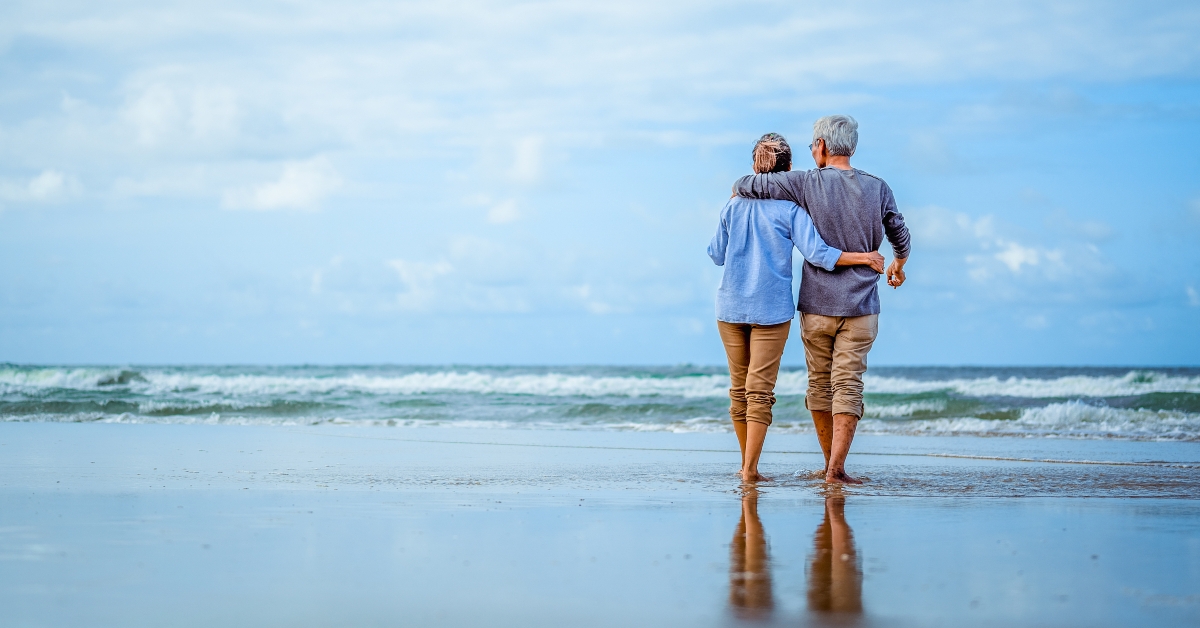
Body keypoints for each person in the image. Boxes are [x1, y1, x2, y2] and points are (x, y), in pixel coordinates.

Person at [733, 115, 911, 484]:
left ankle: (829, 462)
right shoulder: (878, 187)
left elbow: (746, 184)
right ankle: (836, 470)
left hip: (816, 305)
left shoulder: (805, 183)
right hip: (862, 306)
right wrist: (898, 264)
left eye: (814, 144)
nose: (814, 149)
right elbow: (900, 232)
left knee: (820, 385)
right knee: (849, 384)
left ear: (822, 147)